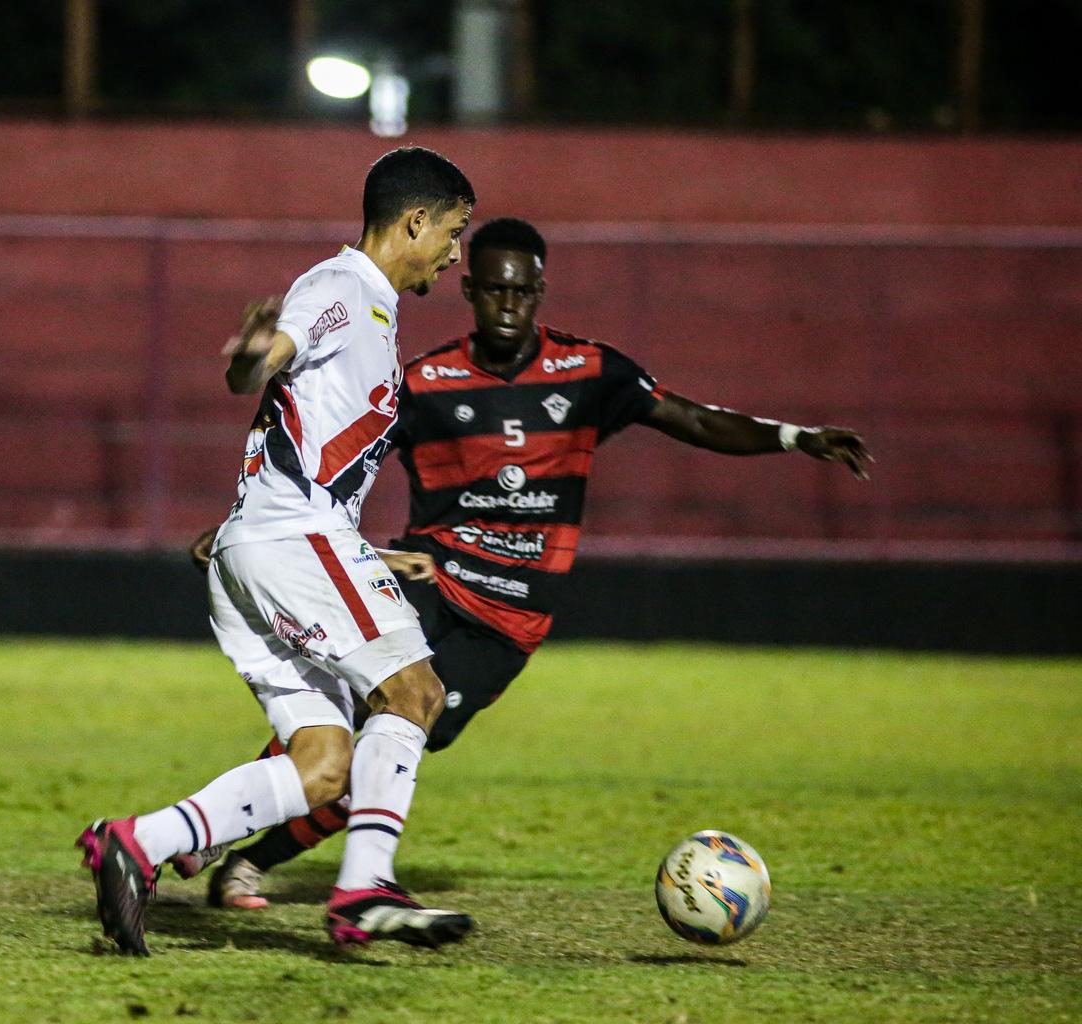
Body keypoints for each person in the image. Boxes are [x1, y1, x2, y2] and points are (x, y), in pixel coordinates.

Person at [175, 216, 873, 910]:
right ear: (470, 290)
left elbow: (692, 419)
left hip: (510, 620)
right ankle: (219, 843)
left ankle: (250, 859)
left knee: (403, 745)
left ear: (540, 291)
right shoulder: (426, 381)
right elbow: (330, 454)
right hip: (428, 579)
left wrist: (794, 437)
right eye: (494, 290)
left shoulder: (589, 372)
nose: (508, 304)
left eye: (523, 291)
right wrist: (257, 522)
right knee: (352, 709)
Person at [76, 146, 478, 955]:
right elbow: (266, 359)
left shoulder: (372, 307)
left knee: (324, 764)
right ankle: (365, 887)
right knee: (415, 692)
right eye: (454, 231)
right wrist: (253, 353)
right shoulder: (341, 287)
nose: (455, 252)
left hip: (261, 548)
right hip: (294, 539)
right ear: (415, 222)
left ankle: (139, 843)